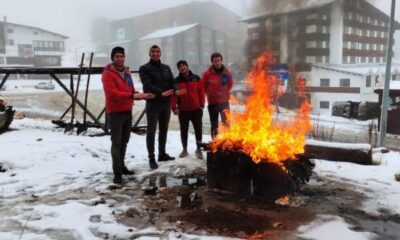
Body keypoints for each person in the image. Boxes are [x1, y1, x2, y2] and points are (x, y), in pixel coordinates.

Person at [102, 46, 154, 184]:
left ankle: (122, 166)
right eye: (117, 56)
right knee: (116, 142)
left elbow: (131, 89)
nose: (120, 58)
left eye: (121, 56)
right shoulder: (107, 74)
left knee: (124, 141)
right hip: (115, 112)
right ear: (112, 58)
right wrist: (132, 95)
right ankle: (117, 172)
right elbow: (112, 93)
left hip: (127, 111)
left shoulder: (127, 72)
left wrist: (141, 95)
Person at [139, 45, 185, 169]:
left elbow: (172, 82)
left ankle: (162, 153)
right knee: (151, 131)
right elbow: (147, 85)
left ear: (160, 53)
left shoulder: (166, 68)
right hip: (153, 104)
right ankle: (152, 158)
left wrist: (175, 90)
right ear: (149, 53)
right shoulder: (144, 68)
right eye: (153, 51)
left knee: (164, 129)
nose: (155, 53)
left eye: (157, 51)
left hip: (165, 103)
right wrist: (160, 93)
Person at [171, 60, 205, 159]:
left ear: (187, 66)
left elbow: (201, 92)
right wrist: (174, 108)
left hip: (196, 109)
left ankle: (199, 149)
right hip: (183, 110)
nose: (182, 68)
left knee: (198, 129)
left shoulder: (196, 78)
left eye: (184, 65)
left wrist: (201, 105)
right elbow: (173, 96)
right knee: (184, 130)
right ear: (178, 69)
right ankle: (184, 149)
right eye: (180, 66)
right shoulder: (176, 81)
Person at [202, 52, 233, 138]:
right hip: (213, 103)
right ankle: (214, 143)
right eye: (215, 61)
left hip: (224, 103)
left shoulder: (226, 73)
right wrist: (210, 94)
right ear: (212, 62)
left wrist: (223, 93)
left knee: (226, 124)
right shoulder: (206, 74)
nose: (217, 62)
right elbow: (203, 87)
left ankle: (228, 142)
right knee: (214, 125)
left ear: (221, 61)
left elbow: (230, 85)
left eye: (219, 60)